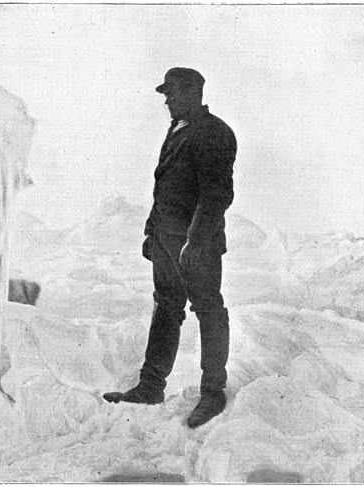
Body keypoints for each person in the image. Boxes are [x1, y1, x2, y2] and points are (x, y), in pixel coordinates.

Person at [103, 67, 236, 429]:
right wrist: (152, 231)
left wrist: (196, 240)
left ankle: (212, 392)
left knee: (208, 308)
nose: (166, 99)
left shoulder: (214, 133)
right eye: (165, 93)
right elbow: (165, 186)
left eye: (173, 93)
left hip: (196, 244)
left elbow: (217, 194)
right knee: (166, 307)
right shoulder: (178, 128)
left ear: (194, 92)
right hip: (166, 240)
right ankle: (150, 386)